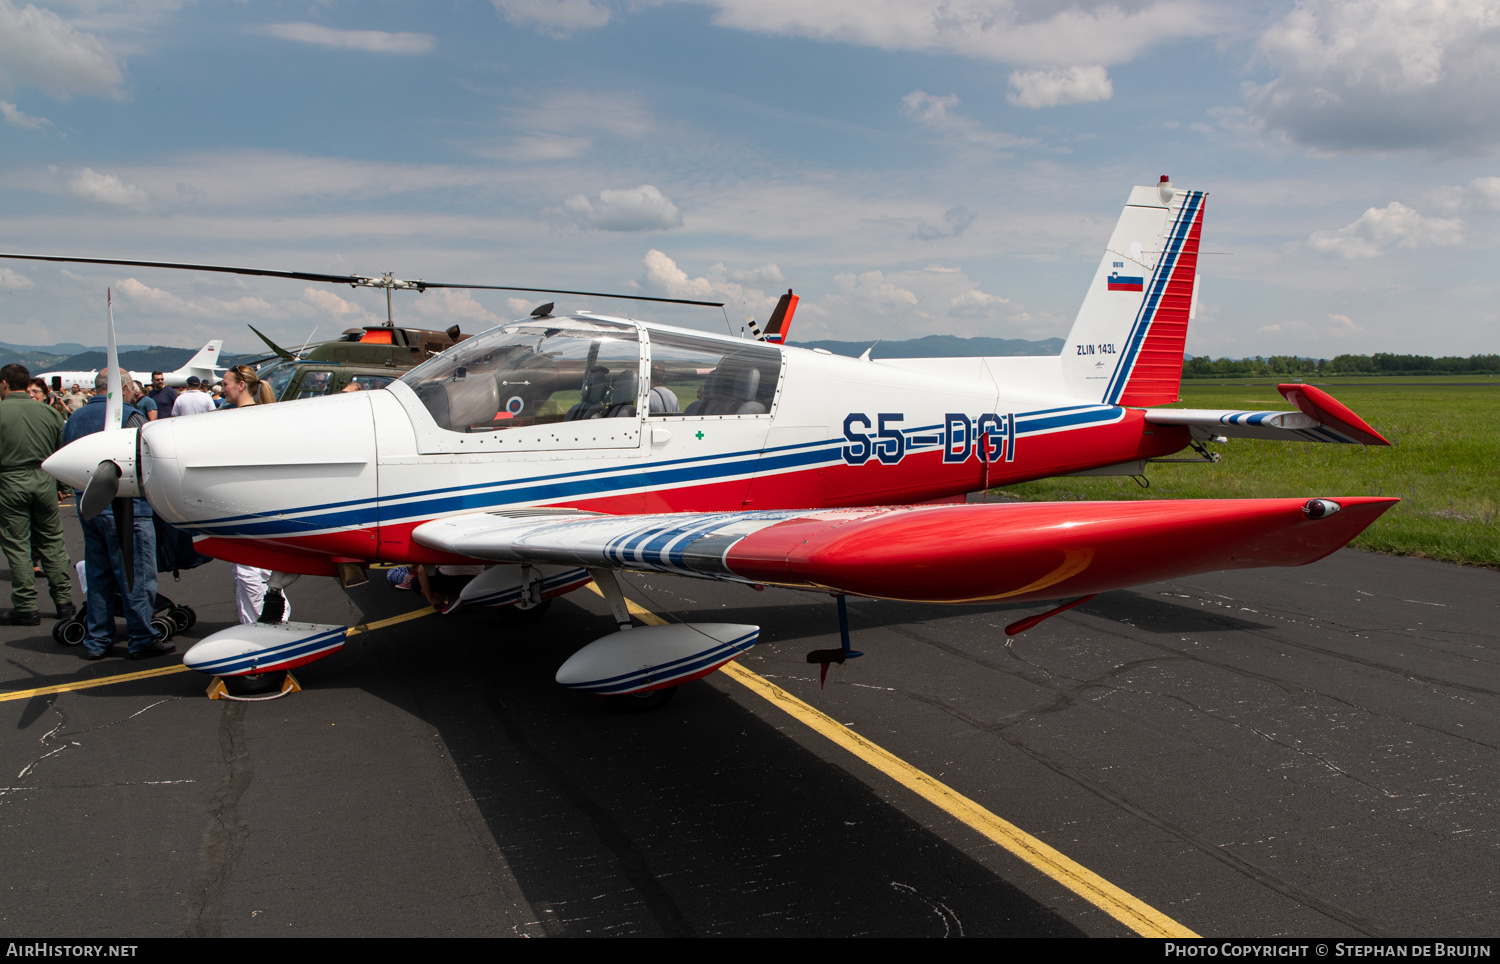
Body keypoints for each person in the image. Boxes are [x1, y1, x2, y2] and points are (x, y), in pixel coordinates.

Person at [61, 369, 170, 660]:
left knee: (99, 576)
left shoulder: (74, 419)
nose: (135, 392)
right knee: (136, 574)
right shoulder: (131, 417)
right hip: (128, 509)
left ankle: (98, 639)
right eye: (132, 387)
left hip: (89, 506)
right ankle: (141, 637)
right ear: (122, 388)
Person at [0, 364, 74, 626]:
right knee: (52, 542)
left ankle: (26, 606)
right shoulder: (49, 413)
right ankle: (64, 601)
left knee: (18, 544)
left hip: (9, 481)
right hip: (44, 480)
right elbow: (59, 453)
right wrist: (62, 487)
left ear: (5, 384)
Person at [219, 365, 289, 623]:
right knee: (247, 572)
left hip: (249, 504)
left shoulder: (244, 418)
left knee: (250, 572)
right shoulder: (245, 415)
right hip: (242, 502)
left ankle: (268, 623)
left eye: (226, 383)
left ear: (240, 385)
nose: (221, 388)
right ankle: (262, 621)